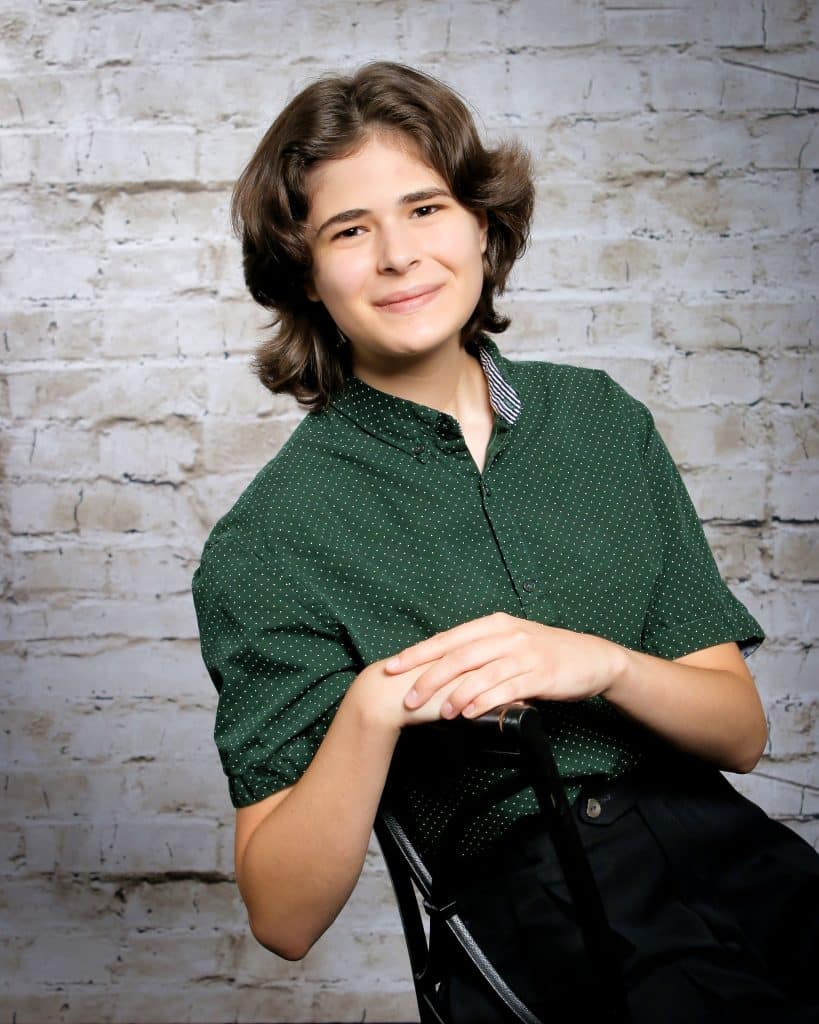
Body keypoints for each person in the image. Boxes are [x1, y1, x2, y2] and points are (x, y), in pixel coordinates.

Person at [191, 61, 819, 1023]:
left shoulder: (599, 420)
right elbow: (282, 914)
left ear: (482, 226)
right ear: (306, 273)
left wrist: (598, 663)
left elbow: (738, 733)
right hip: (541, 907)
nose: (398, 255)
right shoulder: (269, 541)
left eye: (426, 209)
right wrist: (373, 705)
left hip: (737, 861)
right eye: (349, 231)